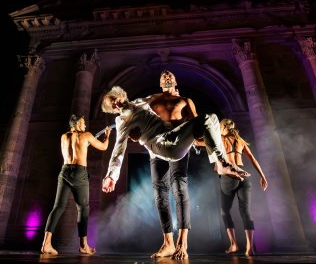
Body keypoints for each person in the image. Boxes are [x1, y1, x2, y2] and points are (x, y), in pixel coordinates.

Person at [101, 84, 250, 187]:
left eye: (116, 100)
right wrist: (111, 176)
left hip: (173, 136)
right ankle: (221, 163)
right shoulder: (121, 121)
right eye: (113, 106)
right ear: (113, 111)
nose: (117, 105)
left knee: (210, 118)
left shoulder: (140, 102)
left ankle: (221, 163)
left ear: (121, 96)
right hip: (162, 145)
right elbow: (118, 150)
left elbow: (158, 95)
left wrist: (172, 93)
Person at [131, 70, 197, 259]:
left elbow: (196, 125)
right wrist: (136, 133)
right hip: (157, 147)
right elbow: (141, 124)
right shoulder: (152, 102)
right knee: (160, 194)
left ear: (176, 81)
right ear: (160, 83)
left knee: (179, 190)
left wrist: (203, 141)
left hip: (178, 146)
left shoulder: (185, 100)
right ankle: (168, 242)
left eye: (170, 76)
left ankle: (182, 242)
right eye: (163, 77)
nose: (167, 78)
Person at [41, 114, 112, 255]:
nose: (85, 126)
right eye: (83, 123)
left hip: (65, 171)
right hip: (79, 172)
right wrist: (107, 136)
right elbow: (104, 147)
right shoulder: (86, 135)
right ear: (77, 123)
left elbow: (75, 147)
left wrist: (86, 142)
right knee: (83, 208)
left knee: (58, 207)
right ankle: (83, 245)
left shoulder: (64, 136)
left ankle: (46, 244)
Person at [218, 118, 268, 256]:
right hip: (245, 176)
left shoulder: (220, 139)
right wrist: (262, 176)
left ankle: (233, 244)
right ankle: (249, 248)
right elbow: (252, 158)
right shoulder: (240, 141)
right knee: (246, 211)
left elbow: (202, 143)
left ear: (222, 127)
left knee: (225, 211)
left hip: (230, 175)